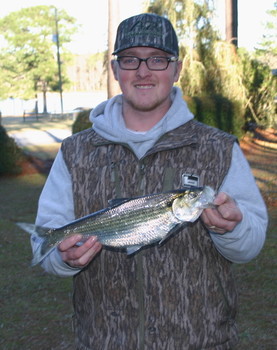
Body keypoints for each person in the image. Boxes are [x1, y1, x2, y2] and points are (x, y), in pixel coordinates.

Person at [32, 13, 267, 350]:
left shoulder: (219, 147)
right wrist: (63, 258)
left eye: (157, 59)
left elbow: (251, 245)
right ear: (115, 70)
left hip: (203, 341)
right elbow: (48, 235)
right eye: (130, 59)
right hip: (104, 341)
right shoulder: (74, 152)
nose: (143, 71)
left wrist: (231, 229)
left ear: (177, 69)